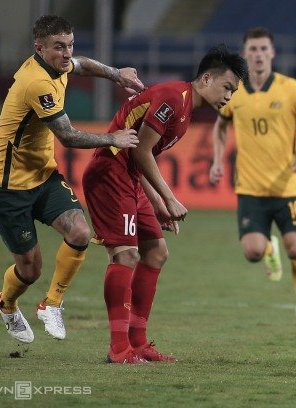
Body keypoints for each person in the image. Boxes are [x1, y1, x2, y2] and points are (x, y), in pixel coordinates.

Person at [82, 45, 247, 364]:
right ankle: (119, 349)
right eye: (227, 87)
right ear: (207, 78)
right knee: (126, 254)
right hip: (110, 170)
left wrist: (156, 203)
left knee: (156, 252)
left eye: (234, 92)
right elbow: (140, 151)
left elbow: (139, 156)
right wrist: (169, 198)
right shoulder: (174, 98)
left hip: (128, 174)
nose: (229, 96)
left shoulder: (185, 108)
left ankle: (138, 342)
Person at [0, 15, 143, 344]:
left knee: (80, 232)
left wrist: (116, 75)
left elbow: (82, 65)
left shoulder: (59, 64)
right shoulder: (36, 83)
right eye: (59, 47)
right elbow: (68, 136)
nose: (67, 52)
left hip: (42, 176)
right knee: (30, 270)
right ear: (39, 48)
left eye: (69, 44)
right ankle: (8, 303)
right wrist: (111, 138)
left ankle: (51, 304)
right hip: (6, 187)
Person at [210, 27, 296, 322]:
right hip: (249, 188)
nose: (259, 55)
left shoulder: (290, 89)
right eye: (253, 49)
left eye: (264, 49)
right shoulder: (233, 90)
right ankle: (267, 249)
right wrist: (216, 160)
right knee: (252, 252)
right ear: (245, 53)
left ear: (272, 53)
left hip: (286, 185)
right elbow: (221, 126)